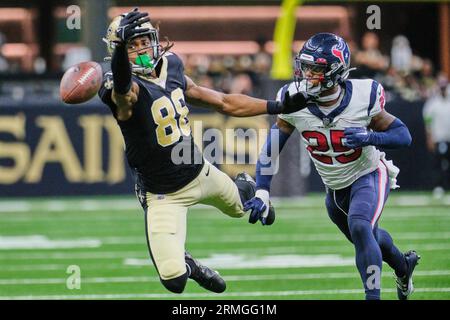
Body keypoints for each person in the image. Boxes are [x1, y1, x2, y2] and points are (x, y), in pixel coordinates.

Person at [98, 8, 306, 294]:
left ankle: (246, 187)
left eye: (143, 41)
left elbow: (223, 102)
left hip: (201, 172)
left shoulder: (171, 66)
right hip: (163, 194)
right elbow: (123, 90)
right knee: (175, 281)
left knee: (240, 209)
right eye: (131, 46)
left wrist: (277, 106)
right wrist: (121, 51)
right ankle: (191, 266)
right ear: (118, 51)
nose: (141, 50)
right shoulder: (122, 87)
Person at [244, 33, 420, 300]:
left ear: (336, 71)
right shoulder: (292, 100)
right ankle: (403, 266)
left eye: (316, 69)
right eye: (305, 66)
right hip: (334, 188)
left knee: (361, 226)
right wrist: (262, 190)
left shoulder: (363, 96)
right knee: (367, 236)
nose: (307, 74)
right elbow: (271, 148)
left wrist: (370, 137)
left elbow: (403, 136)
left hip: (368, 173)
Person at [423, 76, 450, 198]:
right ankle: (438, 187)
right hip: (438, 137)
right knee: (437, 163)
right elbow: (428, 122)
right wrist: (430, 137)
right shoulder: (433, 103)